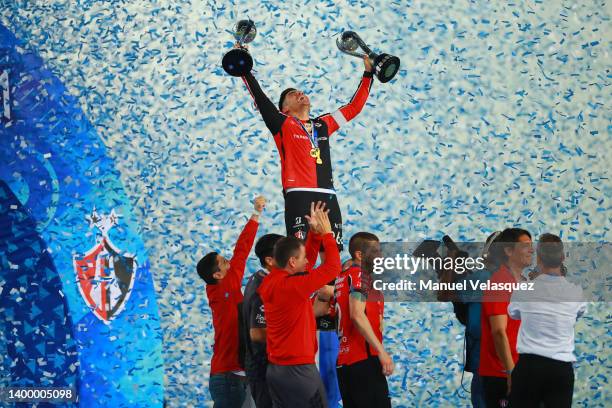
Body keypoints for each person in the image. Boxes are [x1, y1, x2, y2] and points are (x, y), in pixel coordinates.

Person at [240, 48, 375, 250]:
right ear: (284, 109)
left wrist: (368, 73)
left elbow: (354, 107)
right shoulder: (281, 123)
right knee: (300, 255)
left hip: (328, 193)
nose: (300, 94)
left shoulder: (324, 124)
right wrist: (244, 67)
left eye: (301, 92)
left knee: (332, 255)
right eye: (293, 95)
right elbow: (260, 97)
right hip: (299, 194)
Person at [258, 202, 342, 408]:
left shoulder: (272, 280)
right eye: (302, 259)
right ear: (292, 263)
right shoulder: (292, 286)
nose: (307, 262)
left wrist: (313, 234)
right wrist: (328, 234)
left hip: (277, 370)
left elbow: (308, 264)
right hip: (298, 371)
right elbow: (333, 268)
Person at [196, 196, 266, 408]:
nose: (230, 262)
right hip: (228, 379)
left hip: (243, 376)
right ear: (217, 275)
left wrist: (256, 214)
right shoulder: (220, 290)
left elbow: (242, 250)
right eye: (224, 262)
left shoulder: (230, 283)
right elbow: (241, 252)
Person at [508, 234, 587, 408]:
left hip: (529, 368)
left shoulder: (523, 290)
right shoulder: (576, 292)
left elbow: (513, 313)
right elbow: (579, 313)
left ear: (539, 257)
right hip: (561, 370)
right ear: (563, 257)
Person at [334, 232, 394, 408]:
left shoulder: (342, 278)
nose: (380, 257)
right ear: (359, 255)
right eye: (375, 252)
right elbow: (357, 314)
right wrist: (381, 351)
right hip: (364, 361)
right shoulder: (361, 275)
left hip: (345, 364)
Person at [479, 228, 532, 408]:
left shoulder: (525, 283)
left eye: (532, 246)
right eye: (525, 246)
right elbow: (499, 332)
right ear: (508, 251)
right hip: (503, 374)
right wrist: (511, 372)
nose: (532, 250)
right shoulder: (499, 282)